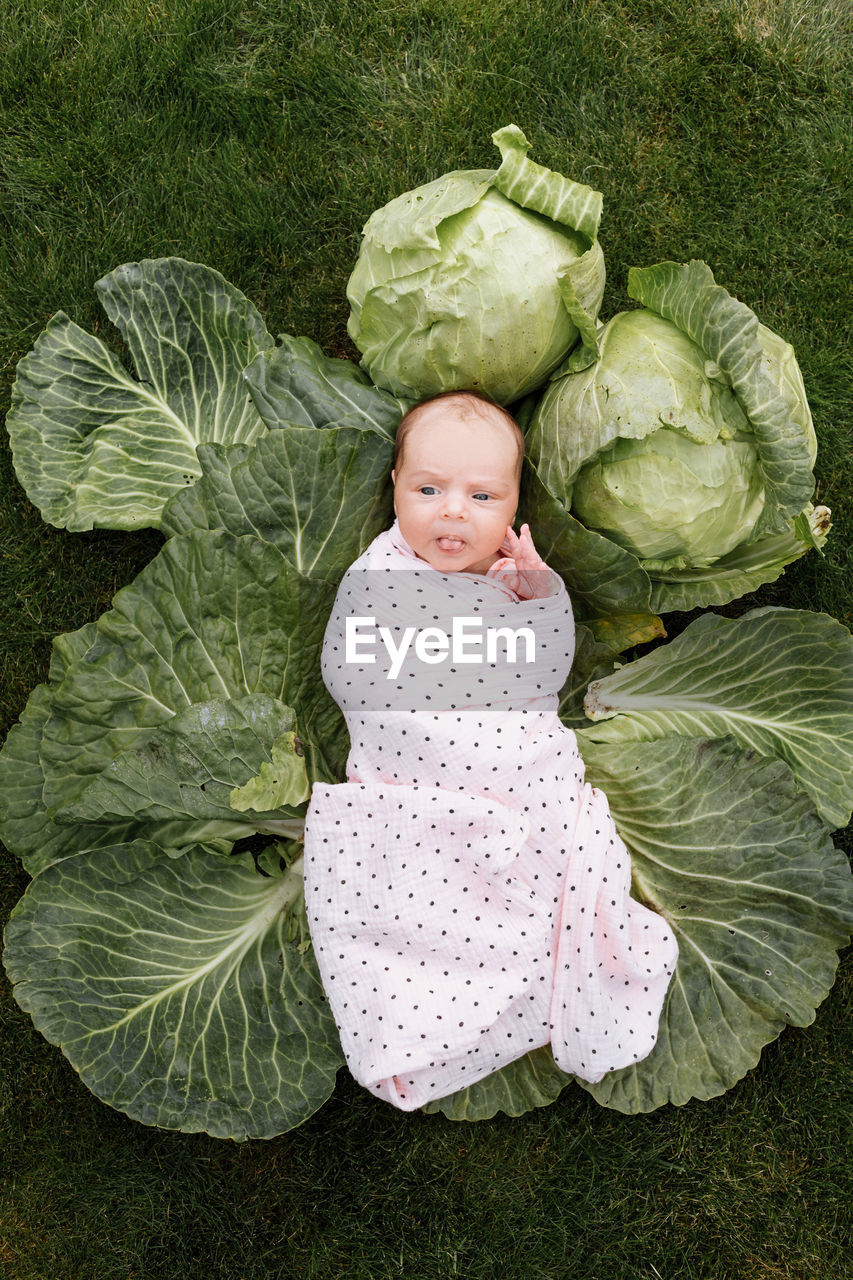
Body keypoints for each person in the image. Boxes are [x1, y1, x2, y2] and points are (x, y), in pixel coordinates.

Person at [303, 391, 677, 1110]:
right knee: (419, 905)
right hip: (413, 785)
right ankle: (456, 1001)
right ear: (395, 491)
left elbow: (546, 671)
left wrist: (538, 597)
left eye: (481, 495)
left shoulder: (519, 581)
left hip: (516, 773)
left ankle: (529, 976)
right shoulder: (379, 577)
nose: (452, 512)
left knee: (537, 876)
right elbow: (348, 672)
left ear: (512, 503)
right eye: (428, 490)